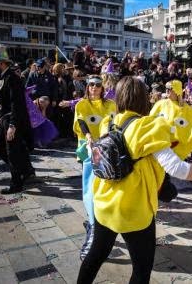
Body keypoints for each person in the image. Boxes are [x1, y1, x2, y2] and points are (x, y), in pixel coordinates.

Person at [77, 76, 192, 283]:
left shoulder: (108, 122)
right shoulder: (147, 127)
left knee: (95, 256)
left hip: (103, 202)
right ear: (143, 100)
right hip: (134, 208)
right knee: (141, 270)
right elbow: (176, 167)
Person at [73, 75, 116, 260]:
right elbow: (81, 122)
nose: (94, 88)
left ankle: (100, 222)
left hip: (106, 149)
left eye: (98, 85)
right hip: (91, 151)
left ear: (102, 87)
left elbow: (112, 122)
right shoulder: (81, 104)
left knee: (106, 188)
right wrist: (89, 137)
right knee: (90, 188)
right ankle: (92, 227)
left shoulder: (110, 104)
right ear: (87, 87)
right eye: (91, 85)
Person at [0, 44, 35, 194]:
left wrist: (12, 124)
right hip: (4, 119)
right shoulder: (2, 77)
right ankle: (26, 169)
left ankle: (16, 183)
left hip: (12, 120)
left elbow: (16, 104)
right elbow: (1, 101)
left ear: (1, 62)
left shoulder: (12, 78)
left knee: (12, 152)